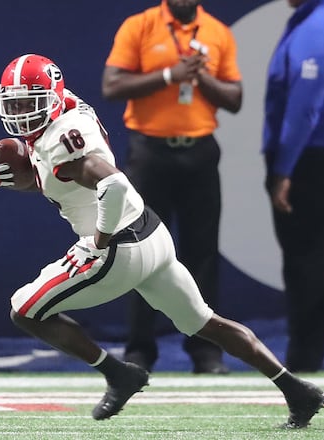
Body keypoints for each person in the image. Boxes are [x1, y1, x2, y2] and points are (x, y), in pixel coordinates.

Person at [0, 53, 324, 428]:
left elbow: (113, 184)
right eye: (16, 104)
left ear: (53, 98)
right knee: (206, 321)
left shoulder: (63, 140)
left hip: (118, 247)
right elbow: (59, 177)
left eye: (31, 103)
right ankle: (297, 391)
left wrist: (100, 239)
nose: (22, 112)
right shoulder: (66, 110)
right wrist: (21, 171)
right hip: (152, 234)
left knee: (24, 310)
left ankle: (117, 374)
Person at [100, 0, 243, 374]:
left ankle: (206, 352)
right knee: (140, 251)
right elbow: (112, 85)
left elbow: (235, 98)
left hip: (200, 153)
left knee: (202, 253)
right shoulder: (140, 26)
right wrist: (169, 75)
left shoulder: (217, 32)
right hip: (151, 153)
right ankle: (140, 350)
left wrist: (198, 77)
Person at [263, 0, 324, 373]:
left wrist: (283, 170)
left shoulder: (320, 28)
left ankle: (304, 367)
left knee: (309, 265)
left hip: (316, 161)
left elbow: (304, 108)